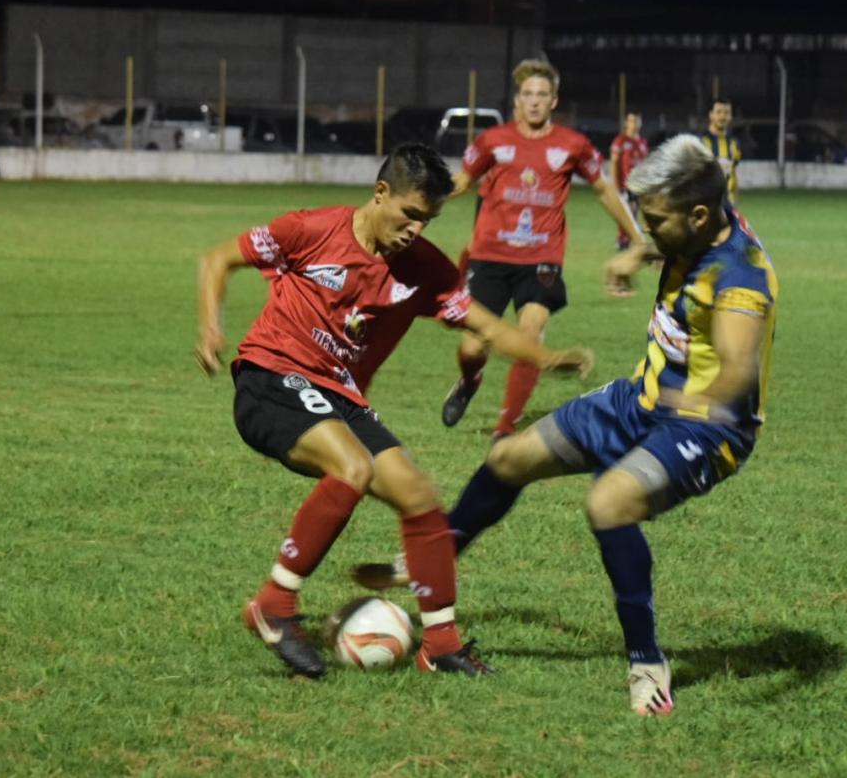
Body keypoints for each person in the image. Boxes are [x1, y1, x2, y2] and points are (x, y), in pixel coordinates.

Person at [354, 135, 777, 715]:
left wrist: (690, 405)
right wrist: (639, 254)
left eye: (654, 222)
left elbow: (736, 372)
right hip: (638, 401)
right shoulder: (705, 221)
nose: (648, 230)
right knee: (508, 459)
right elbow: (677, 241)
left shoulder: (740, 280)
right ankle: (440, 554)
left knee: (609, 504)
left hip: (706, 429)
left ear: (698, 216)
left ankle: (647, 664)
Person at [194, 143, 595, 680]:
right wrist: (212, 329)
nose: (414, 231)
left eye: (426, 221)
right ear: (380, 193)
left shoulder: (426, 269)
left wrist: (547, 356)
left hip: (339, 395)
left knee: (419, 497)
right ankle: (274, 603)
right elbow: (218, 258)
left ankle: (442, 645)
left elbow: (488, 326)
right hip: (271, 377)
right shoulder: (310, 230)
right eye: (408, 215)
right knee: (353, 468)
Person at [442, 58, 644, 441]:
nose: (534, 101)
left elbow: (603, 188)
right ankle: (470, 380)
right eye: (527, 94)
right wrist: (419, 202)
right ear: (517, 100)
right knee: (472, 347)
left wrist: (635, 237)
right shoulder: (492, 141)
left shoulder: (573, 145)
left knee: (531, 333)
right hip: (489, 256)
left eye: (542, 94)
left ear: (554, 101)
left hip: (541, 258)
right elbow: (463, 181)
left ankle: (506, 425)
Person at [605, 111, 650, 298]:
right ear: (626, 122)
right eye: (631, 120)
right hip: (625, 185)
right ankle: (624, 241)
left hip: (638, 185)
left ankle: (627, 240)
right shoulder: (620, 141)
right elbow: (614, 163)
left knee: (634, 214)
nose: (634, 123)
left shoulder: (642, 142)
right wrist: (615, 186)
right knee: (629, 215)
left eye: (636, 120)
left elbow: (645, 163)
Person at [702, 97, 742, 206]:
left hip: (728, 205)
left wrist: (736, 204)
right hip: (706, 205)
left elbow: (733, 174)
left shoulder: (735, 143)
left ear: (731, 116)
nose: (722, 116)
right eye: (718, 112)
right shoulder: (701, 142)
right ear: (711, 114)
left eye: (726, 113)